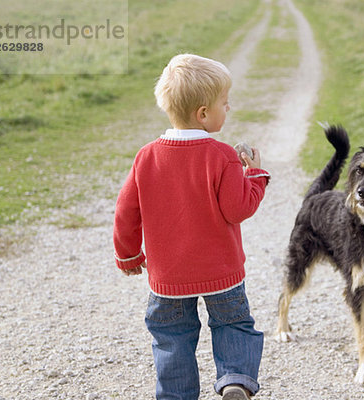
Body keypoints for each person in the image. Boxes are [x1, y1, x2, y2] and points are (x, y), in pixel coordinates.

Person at [113, 53, 270, 400]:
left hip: (168, 278)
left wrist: (128, 255)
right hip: (222, 272)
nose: (228, 110)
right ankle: (235, 380)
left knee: (172, 339)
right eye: (224, 104)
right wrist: (255, 175)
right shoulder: (222, 155)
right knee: (234, 325)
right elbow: (238, 208)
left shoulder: (147, 156)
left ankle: (176, 396)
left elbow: (126, 210)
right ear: (203, 113)